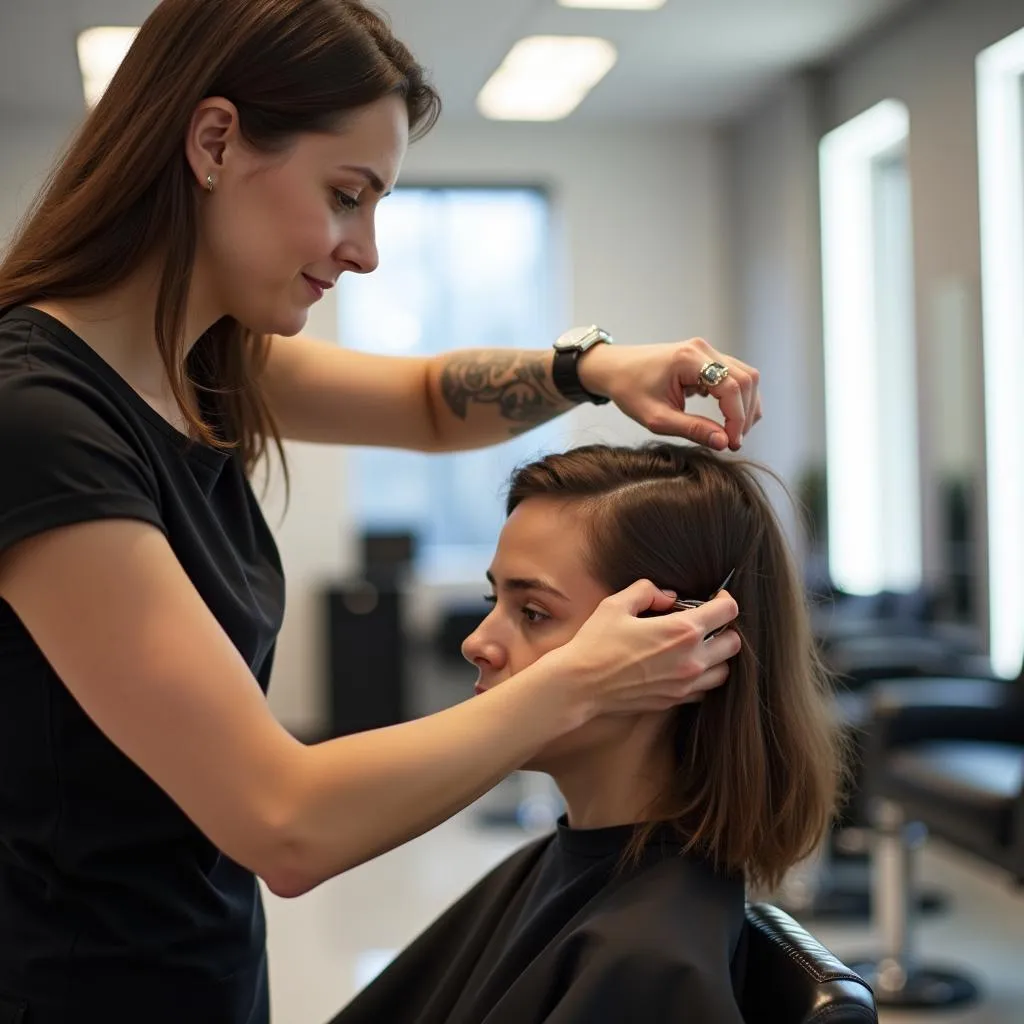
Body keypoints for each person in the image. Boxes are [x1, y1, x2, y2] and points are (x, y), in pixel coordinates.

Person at [0, 2, 762, 1022]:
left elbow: (425, 405)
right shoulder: (37, 420)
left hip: (192, 960)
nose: (364, 250)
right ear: (215, 140)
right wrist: (575, 680)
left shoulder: (202, 365)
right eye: (345, 195)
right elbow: (283, 821)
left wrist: (591, 367)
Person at [329, 443, 845, 1024]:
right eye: (491, 598)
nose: (476, 641)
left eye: (533, 612)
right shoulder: (561, 867)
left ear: (681, 644)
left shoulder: (650, 965)